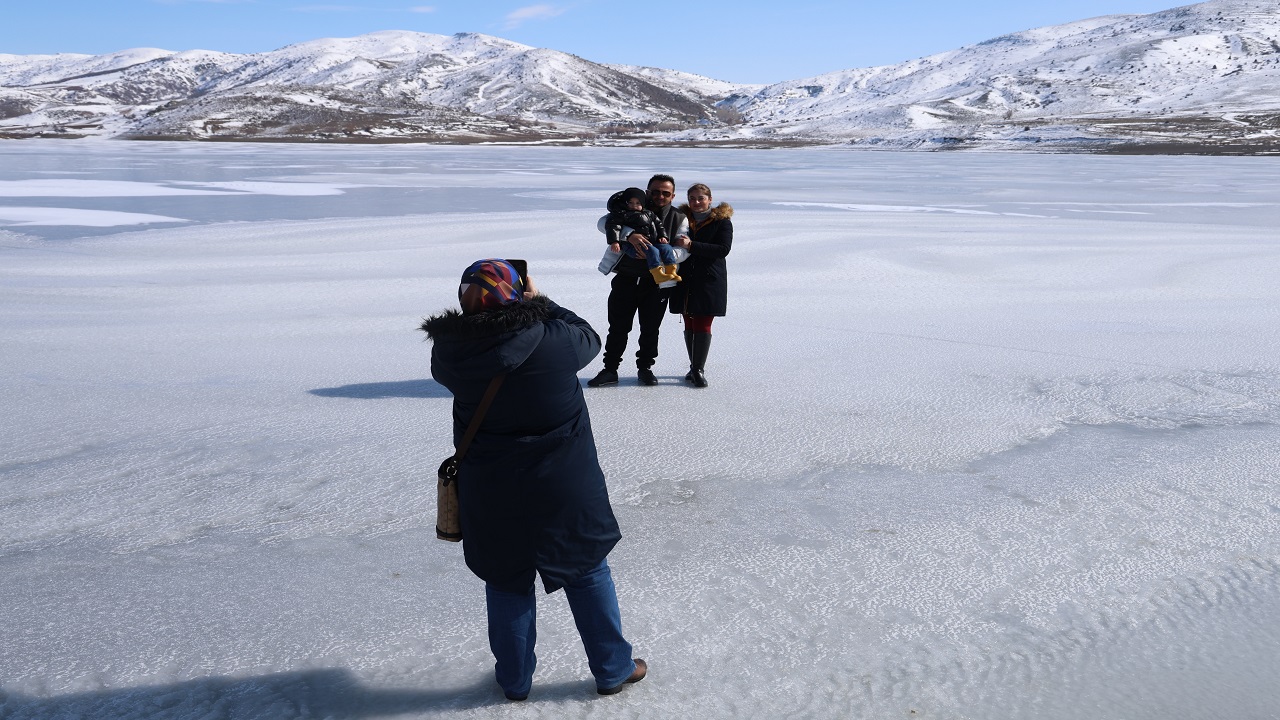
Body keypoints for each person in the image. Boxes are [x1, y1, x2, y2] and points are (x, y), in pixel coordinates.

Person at [422, 259, 647, 701]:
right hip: (564, 482)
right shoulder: (552, 341)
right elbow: (589, 336)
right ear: (515, 290)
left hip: (490, 487)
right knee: (585, 570)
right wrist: (541, 302)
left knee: (507, 580)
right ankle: (613, 669)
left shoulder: (449, 355)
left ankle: (514, 681)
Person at [588, 174, 690, 388]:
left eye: (665, 193)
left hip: (656, 283)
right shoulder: (631, 208)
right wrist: (629, 235)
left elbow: (683, 250)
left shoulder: (678, 218)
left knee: (650, 328)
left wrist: (662, 256)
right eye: (655, 191)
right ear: (647, 191)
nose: (659, 196)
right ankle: (610, 369)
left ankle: (645, 368)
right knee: (618, 327)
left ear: (673, 195)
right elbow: (603, 223)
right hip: (626, 278)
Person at [670, 184, 732, 388]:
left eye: (701, 198)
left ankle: (698, 369)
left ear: (710, 199)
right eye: (692, 198)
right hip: (685, 279)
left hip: (708, 280)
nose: (696, 202)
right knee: (688, 321)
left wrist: (691, 246)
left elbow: (722, 249)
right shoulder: (681, 219)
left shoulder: (721, 222)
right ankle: (693, 366)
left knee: (703, 323)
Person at [600, 187, 682, 287]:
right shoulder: (622, 214)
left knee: (666, 248)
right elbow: (612, 226)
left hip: (651, 242)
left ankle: (671, 271)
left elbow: (659, 225)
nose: (634, 206)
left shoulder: (649, 213)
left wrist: (662, 236)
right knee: (652, 251)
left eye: (638, 203)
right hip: (632, 247)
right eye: (630, 203)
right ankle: (658, 274)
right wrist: (616, 241)